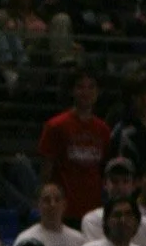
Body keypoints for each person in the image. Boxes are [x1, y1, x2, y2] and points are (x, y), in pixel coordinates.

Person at [39, 70, 113, 226]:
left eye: (91, 87)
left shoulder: (104, 130)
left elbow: (104, 170)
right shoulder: (56, 126)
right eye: (80, 87)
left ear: (97, 92)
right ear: (72, 91)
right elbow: (46, 171)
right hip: (64, 210)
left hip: (94, 211)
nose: (86, 92)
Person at [79, 158, 146, 246]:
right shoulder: (92, 220)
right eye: (115, 181)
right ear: (105, 184)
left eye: (126, 181)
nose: (120, 187)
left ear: (134, 185)